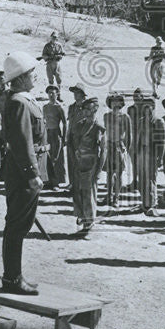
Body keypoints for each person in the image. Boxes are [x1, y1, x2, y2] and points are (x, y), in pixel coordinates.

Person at [0, 52, 48, 294]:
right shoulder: (19, 102)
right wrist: (32, 174)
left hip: (25, 171)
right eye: (31, 72)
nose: (35, 75)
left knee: (21, 225)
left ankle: (14, 276)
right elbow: (21, 142)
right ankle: (12, 279)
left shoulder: (24, 99)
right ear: (19, 78)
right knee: (17, 225)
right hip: (22, 173)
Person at [68, 97, 105, 233]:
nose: (85, 111)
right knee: (78, 191)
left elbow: (103, 151)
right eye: (84, 109)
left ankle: (89, 222)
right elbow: (71, 142)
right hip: (79, 163)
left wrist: (99, 170)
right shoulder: (79, 125)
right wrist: (74, 158)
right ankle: (82, 218)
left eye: (88, 109)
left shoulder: (98, 127)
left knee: (89, 193)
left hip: (91, 164)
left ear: (95, 110)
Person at [103, 94, 130, 209]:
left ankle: (116, 198)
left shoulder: (125, 117)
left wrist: (126, 149)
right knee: (109, 173)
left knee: (118, 173)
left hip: (119, 146)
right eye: (112, 102)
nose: (115, 104)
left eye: (117, 102)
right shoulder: (106, 116)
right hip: (109, 146)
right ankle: (109, 196)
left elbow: (129, 135)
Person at [43, 85, 67, 190]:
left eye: (54, 93)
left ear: (57, 94)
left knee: (56, 157)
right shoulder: (45, 107)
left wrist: (64, 137)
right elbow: (44, 122)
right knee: (47, 157)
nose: (52, 95)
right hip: (47, 133)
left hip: (56, 133)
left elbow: (65, 123)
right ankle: (48, 181)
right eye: (50, 93)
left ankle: (56, 182)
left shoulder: (59, 107)